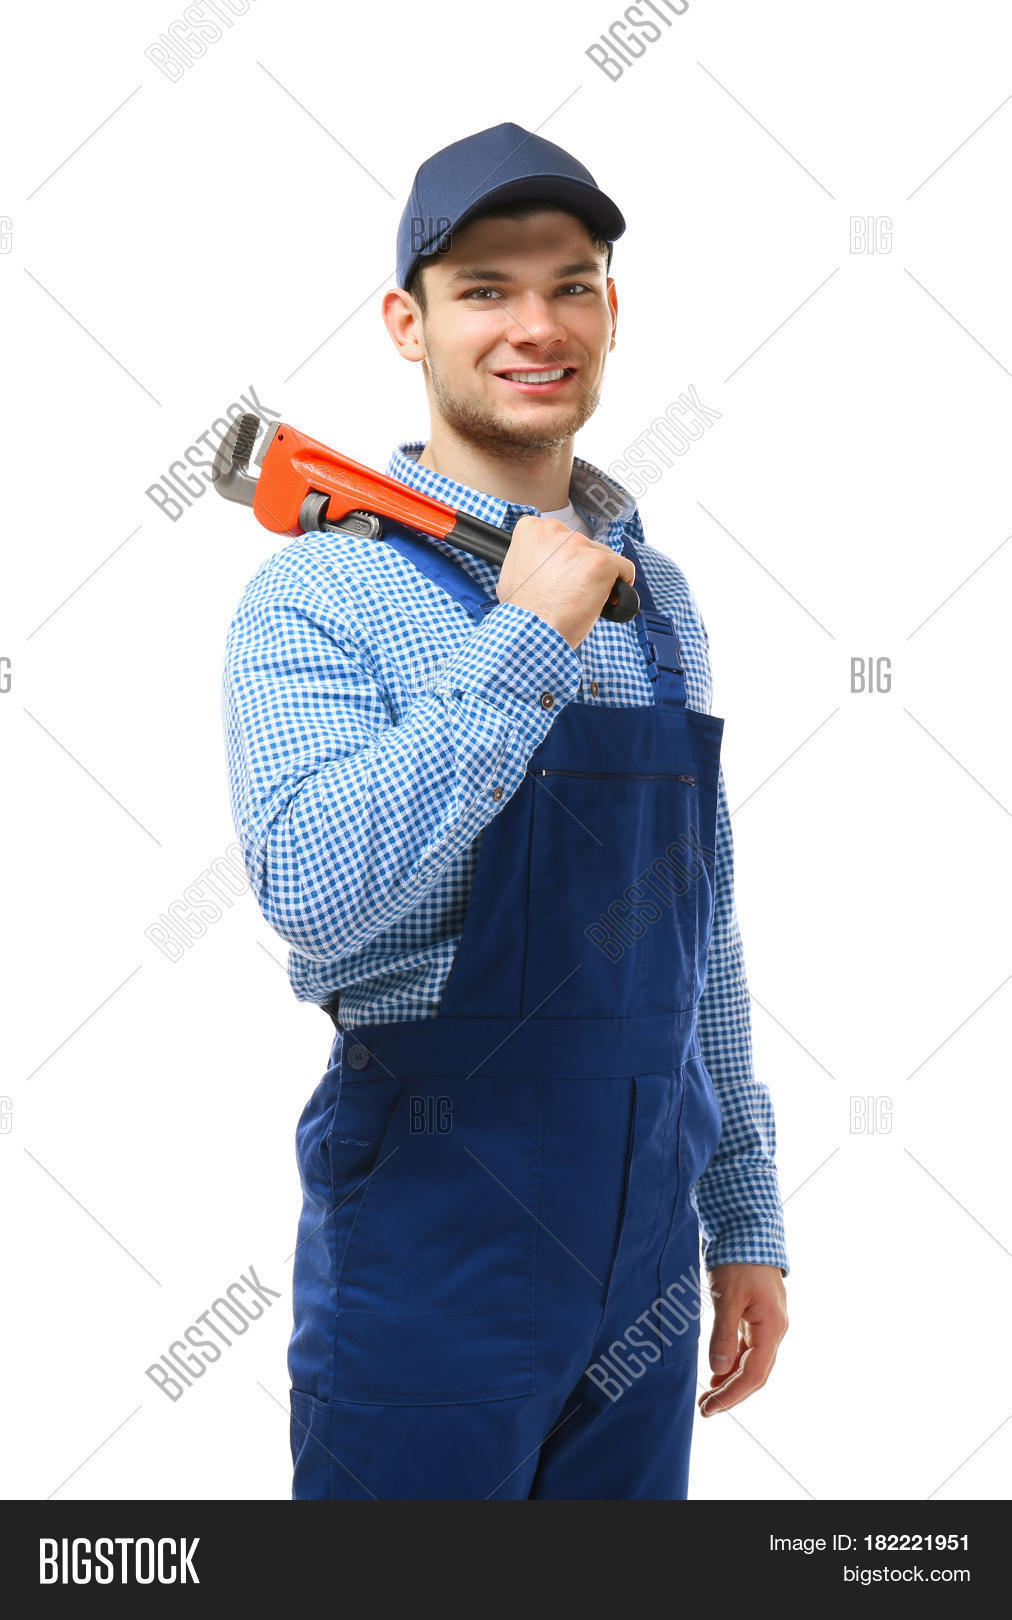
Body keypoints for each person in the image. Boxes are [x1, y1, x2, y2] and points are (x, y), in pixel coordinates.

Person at [222, 122, 789, 1501]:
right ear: (406, 324)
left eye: (570, 284)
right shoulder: (319, 593)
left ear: (610, 309)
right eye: (485, 288)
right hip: (433, 1239)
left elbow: (696, 926)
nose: (536, 326)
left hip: (646, 1248)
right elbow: (312, 889)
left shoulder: (657, 602)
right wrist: (525, 642)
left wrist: (742, 1212)